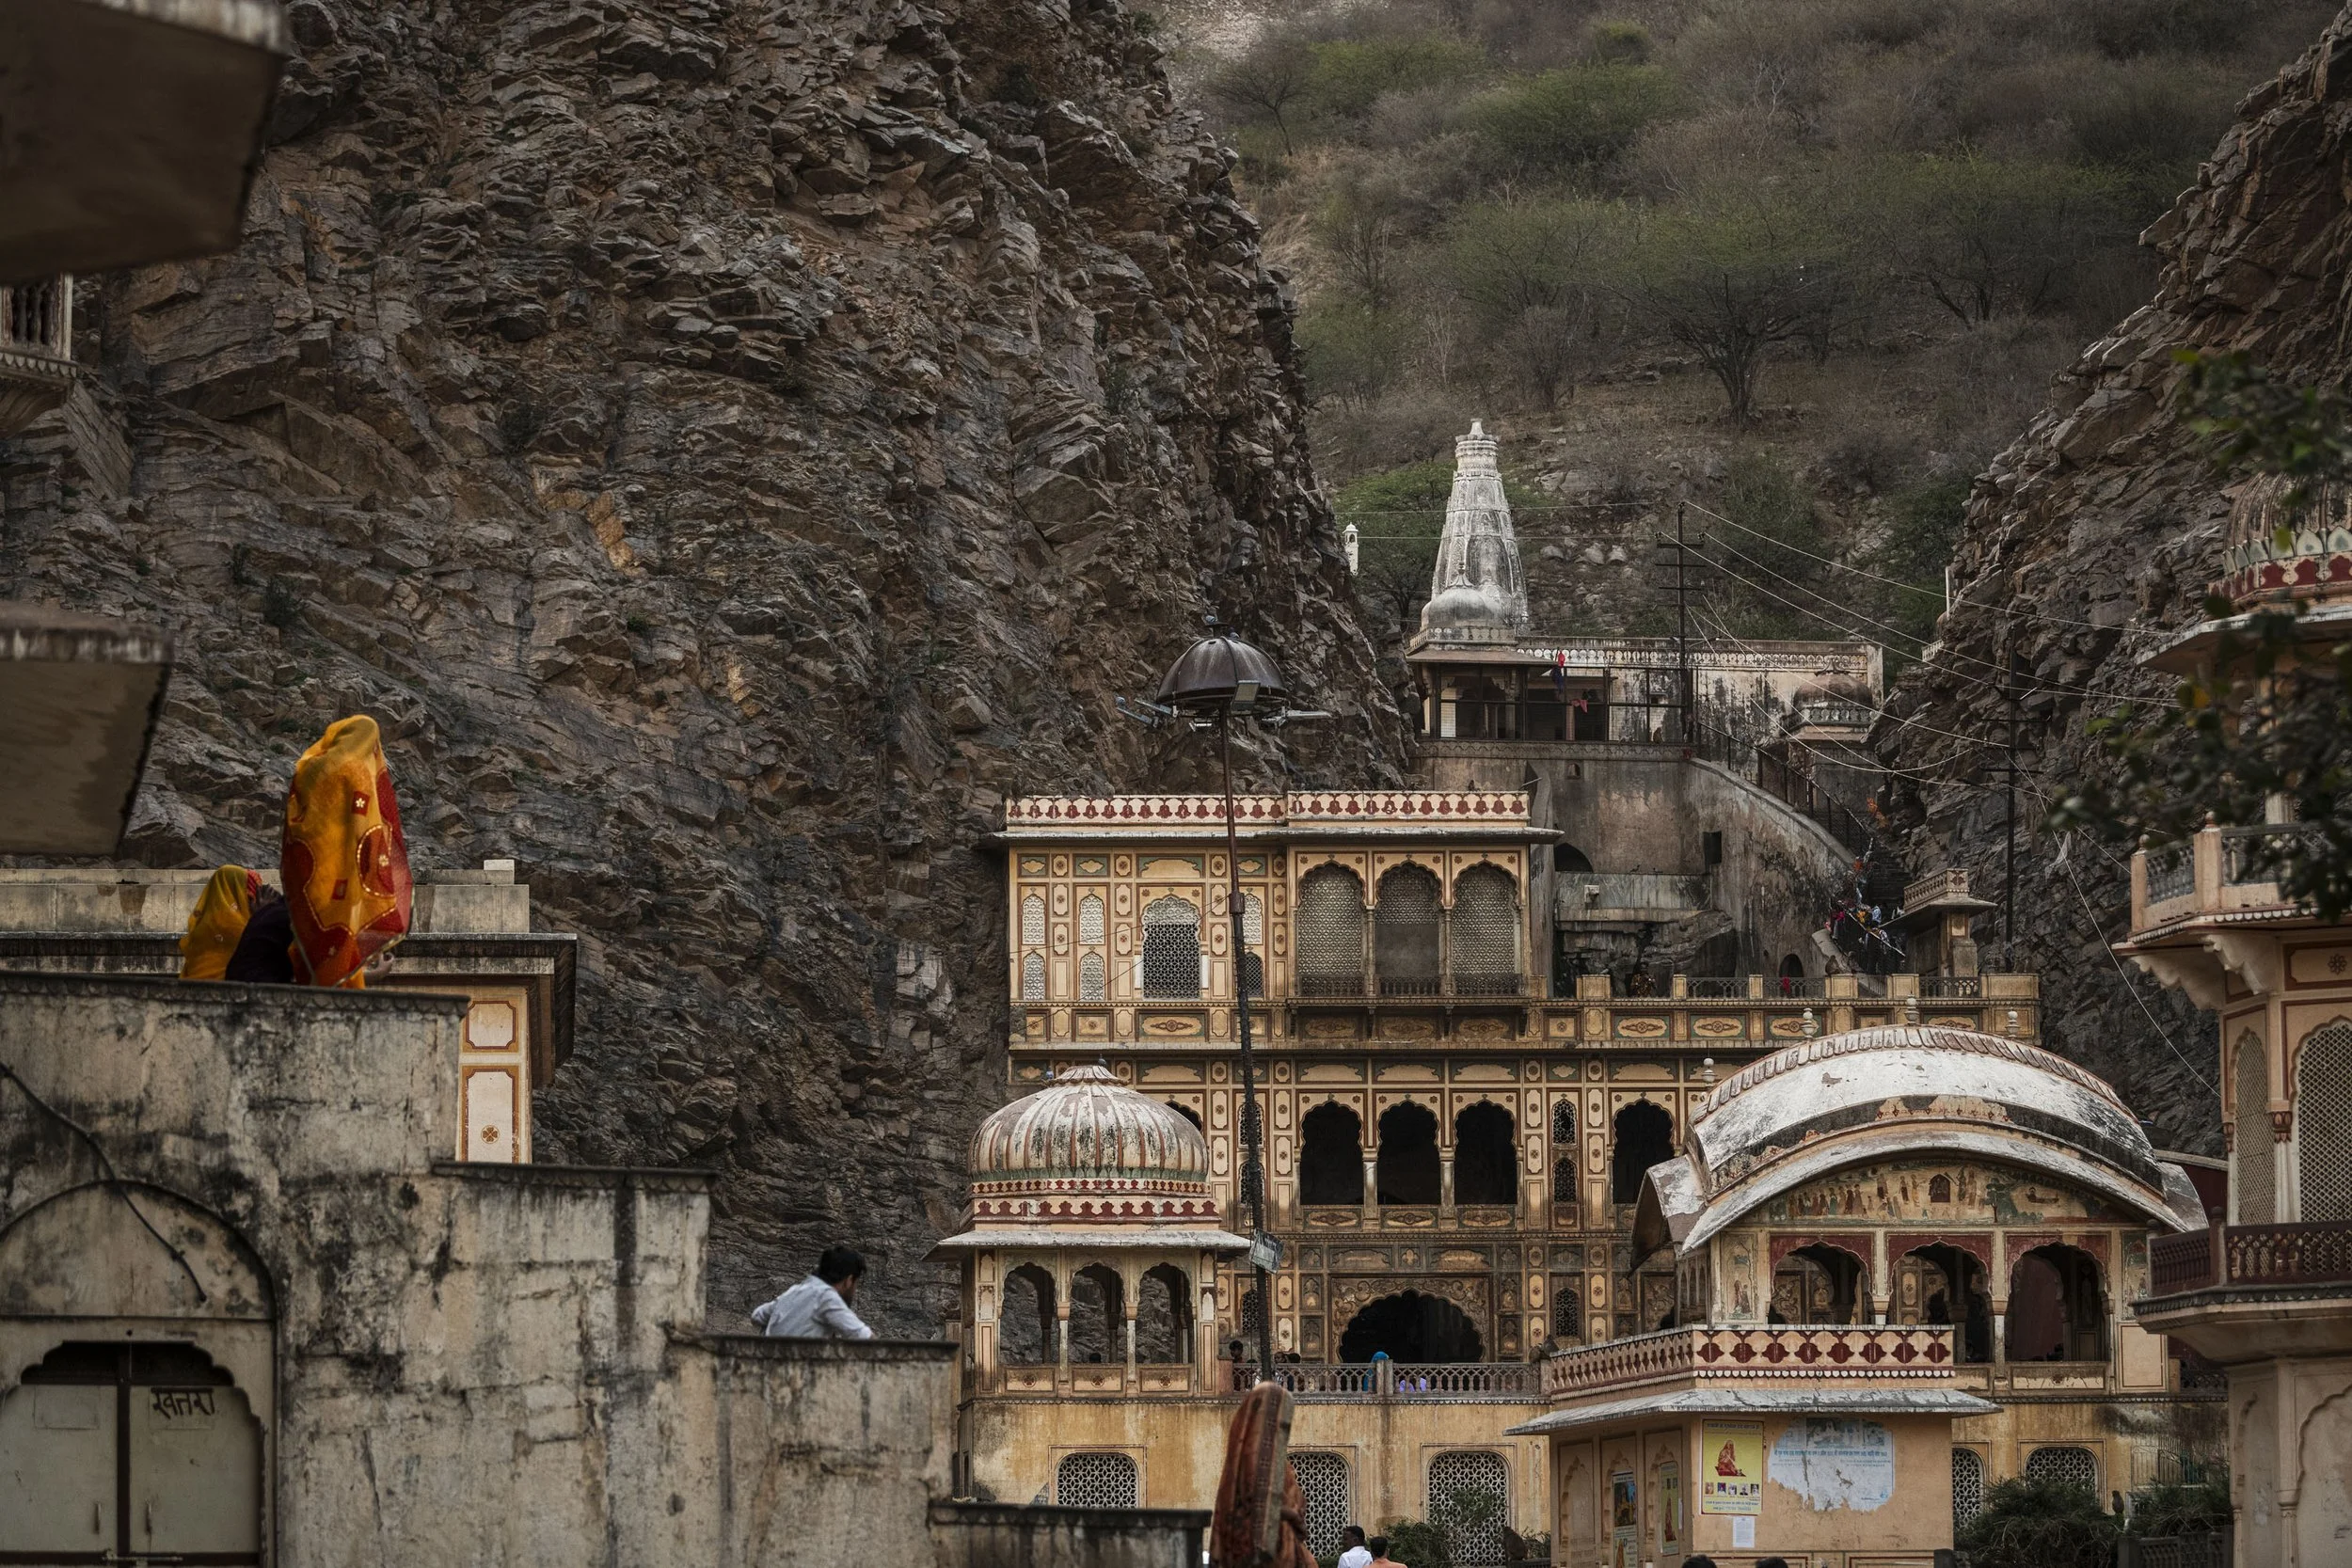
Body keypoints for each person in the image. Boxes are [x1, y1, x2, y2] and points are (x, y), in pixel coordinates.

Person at [750, 1245, 873, 1339]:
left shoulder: (794, 1290)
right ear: (849, 1280)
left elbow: (757, 1315)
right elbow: (864, 1336)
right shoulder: (826, 1297)